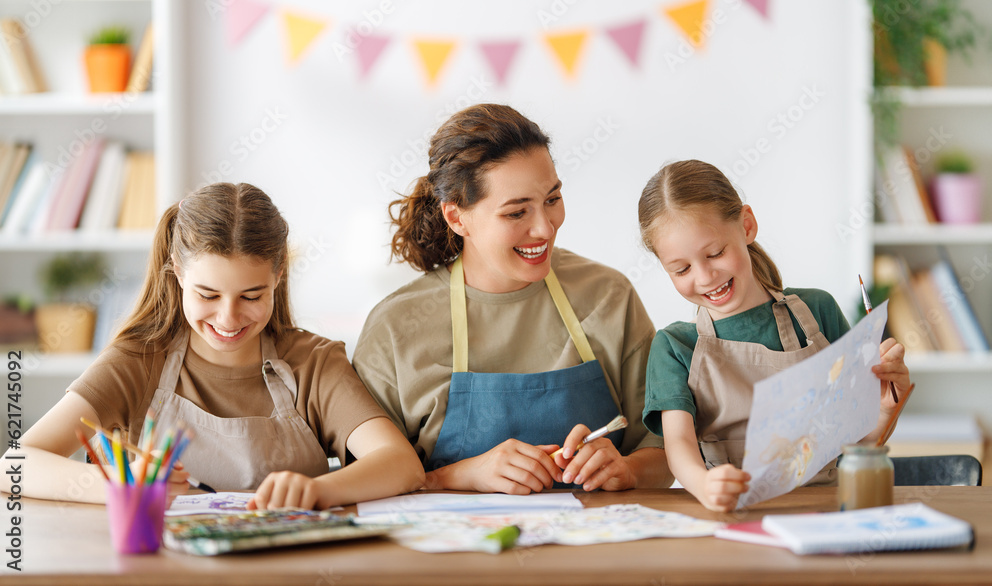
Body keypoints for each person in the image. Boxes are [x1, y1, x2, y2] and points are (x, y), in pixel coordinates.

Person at [0, 183, 424, 509]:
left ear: (278, 275)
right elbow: (14, 466)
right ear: (178, 272)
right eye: (208, 295)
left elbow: (400, 463)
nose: (228, 319)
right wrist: (126, 486)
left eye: (251, 296)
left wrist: (318, 489)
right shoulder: (138, 362)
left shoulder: (312, 362)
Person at [353, 103, 672, 495]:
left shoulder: (609, 295)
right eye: (516, 212)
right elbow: (364, 480)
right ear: (456, 217)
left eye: (552, 199)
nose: (544, 228)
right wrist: (459, 475)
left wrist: (629, 469)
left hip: (594, 551)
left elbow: (665, 446)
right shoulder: (395, 327)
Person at [637, 159, 911, 512]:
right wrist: (704, 485)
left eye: (715, 252)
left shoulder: (817, 312)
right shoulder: (674, 347)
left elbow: (857, 444)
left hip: (829, 512)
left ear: (746, 225)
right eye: (682, 269)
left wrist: (886, 410)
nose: (704, 277)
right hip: (736, 521)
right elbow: (678, 446)